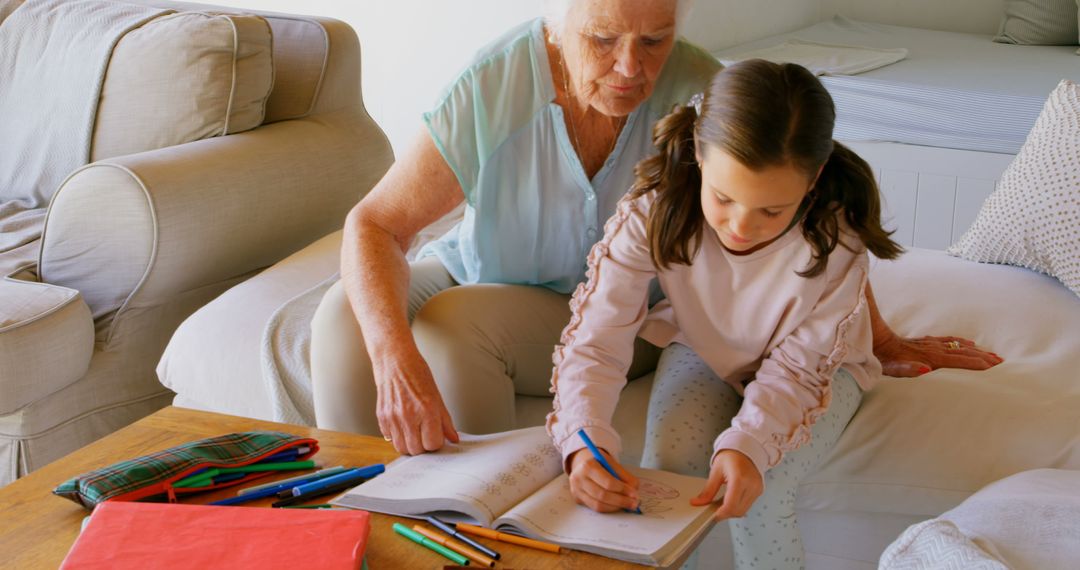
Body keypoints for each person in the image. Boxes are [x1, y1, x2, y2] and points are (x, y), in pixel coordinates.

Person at [310, 0, 1001, 457]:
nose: (631, 67)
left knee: (454, 325)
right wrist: (392, 360)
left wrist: (878, 336)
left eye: (656, 39)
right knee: (344, 317)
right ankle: (362, 513)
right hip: (485, 265)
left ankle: (491, 520)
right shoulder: (493, 84)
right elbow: (374, 224)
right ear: (558, 22)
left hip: (623, 308)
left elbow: (804, 213)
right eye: (603, 39)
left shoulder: (700, 88)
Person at [545, 59, 901, 568]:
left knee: (765, 485)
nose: (740, 226)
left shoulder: (836, 241)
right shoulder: (655, 208)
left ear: (814, 178)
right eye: (723, 198)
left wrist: (748, 443)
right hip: (704, 350)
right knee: (665, 474)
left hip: (820, 367)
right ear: (698, 155)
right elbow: (597, 338)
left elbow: (798, 370)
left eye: (771, 211)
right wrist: (583, 439)